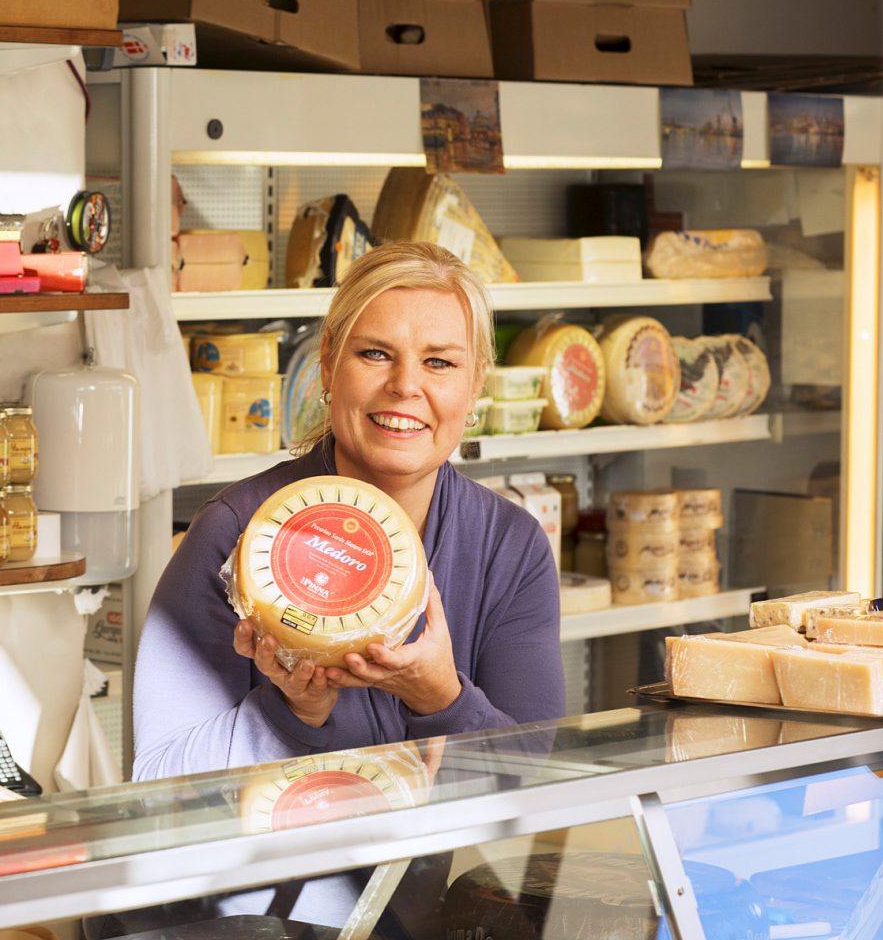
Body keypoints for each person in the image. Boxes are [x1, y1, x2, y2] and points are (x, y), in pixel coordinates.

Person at [135, 241, 565, 781]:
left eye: (439, 362)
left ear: (476, 381)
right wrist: (295, 711)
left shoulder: (510, 545)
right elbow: (161, 779)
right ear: (329, 362)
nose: (405, 386)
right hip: (267, 867)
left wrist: (438, 696)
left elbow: (531, 776)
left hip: (415, 870)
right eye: (375, 354)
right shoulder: (240, 530)